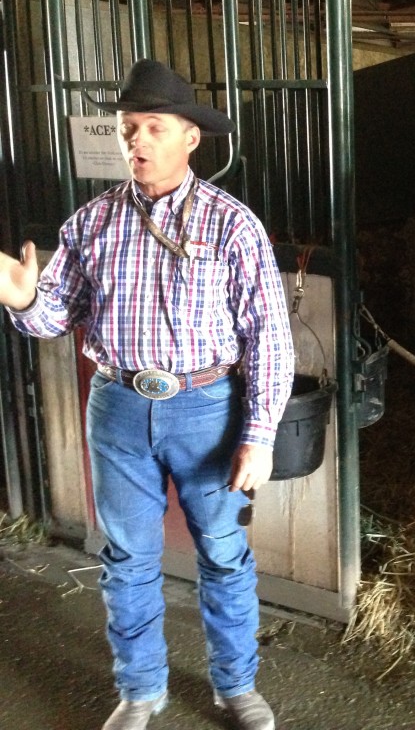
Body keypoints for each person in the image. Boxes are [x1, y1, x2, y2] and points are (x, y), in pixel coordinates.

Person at [0, 59, 294, 730]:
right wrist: (22, 298)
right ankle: (140, 691)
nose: (134, 141)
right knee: (126, 558)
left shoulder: (232, 225)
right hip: (119, 407)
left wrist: (259, 435)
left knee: (223, 554)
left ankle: (235, 686)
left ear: (190, 137)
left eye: (151, 128)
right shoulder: (90, 223)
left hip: (207, 408)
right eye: (128, 127)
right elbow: (54, 318)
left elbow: (269, 338)